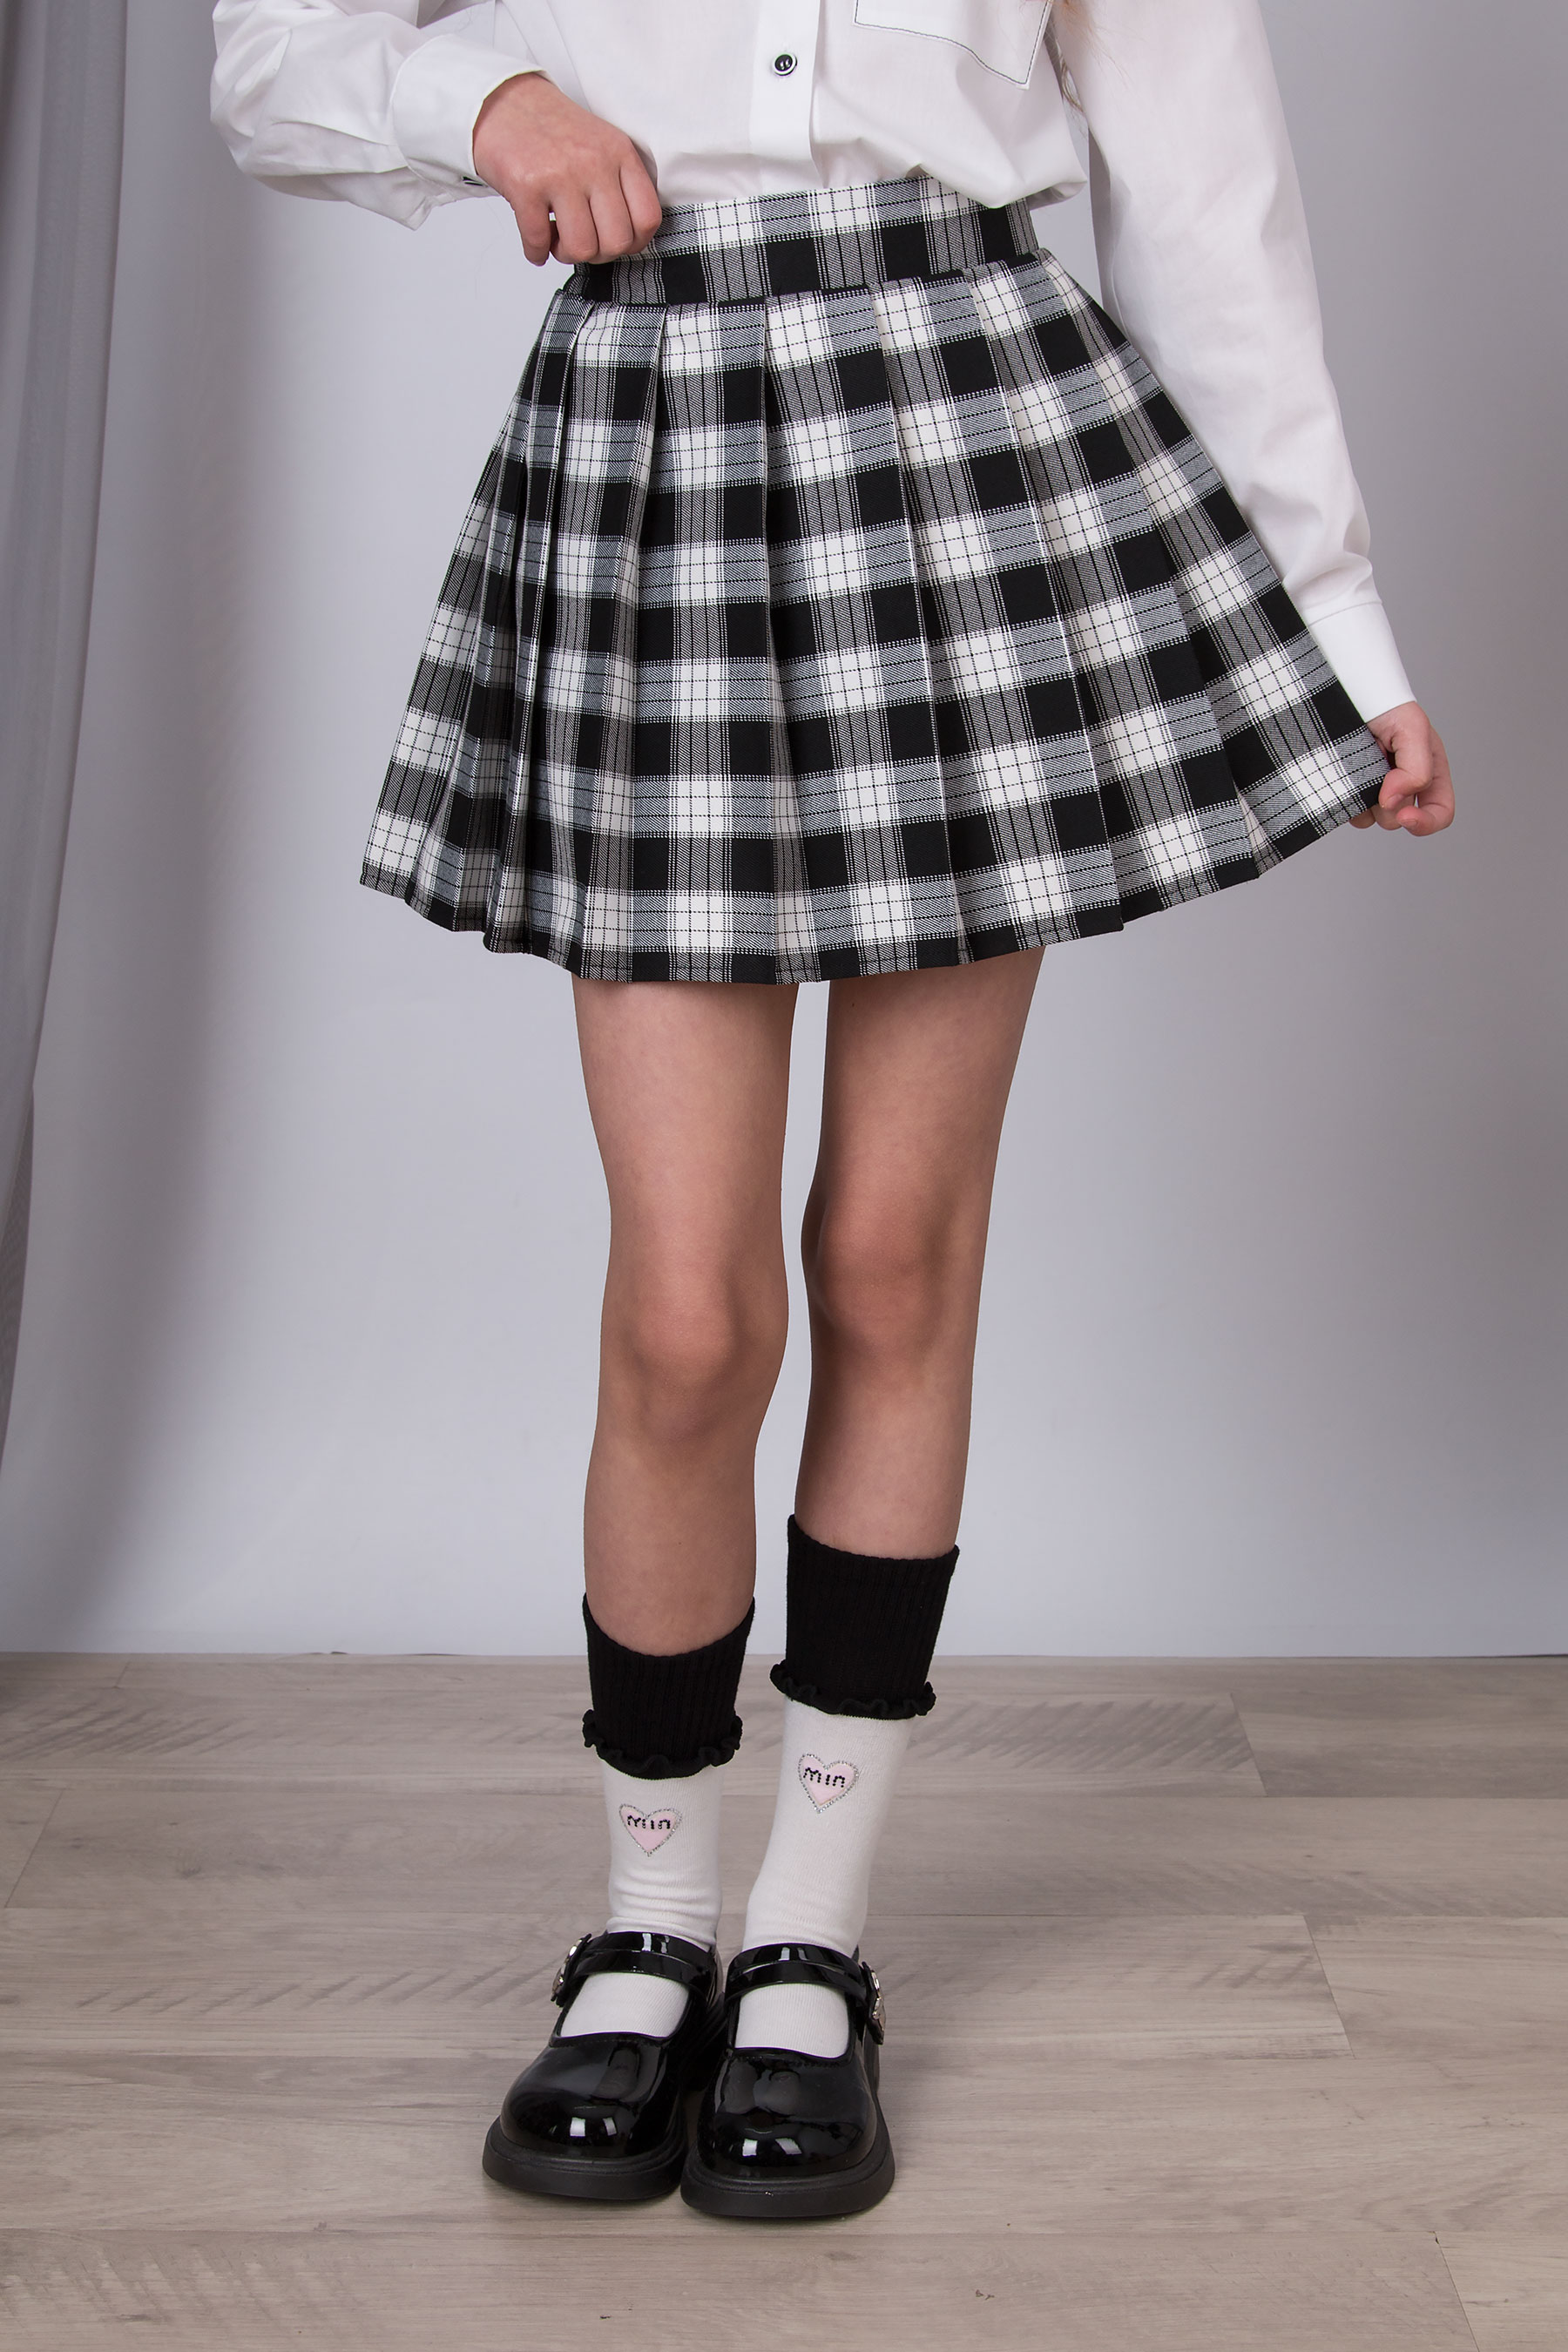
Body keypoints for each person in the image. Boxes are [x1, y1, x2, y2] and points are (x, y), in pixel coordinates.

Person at [211, 0, 1455, 2221]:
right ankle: (650, 1919)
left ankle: (809, 1938)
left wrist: (1336, 616)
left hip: (983, 432)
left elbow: (1204, 187)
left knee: (892, 1257)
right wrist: (483, 99)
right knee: (687, 1314)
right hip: (659, 433)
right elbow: (272, 55)